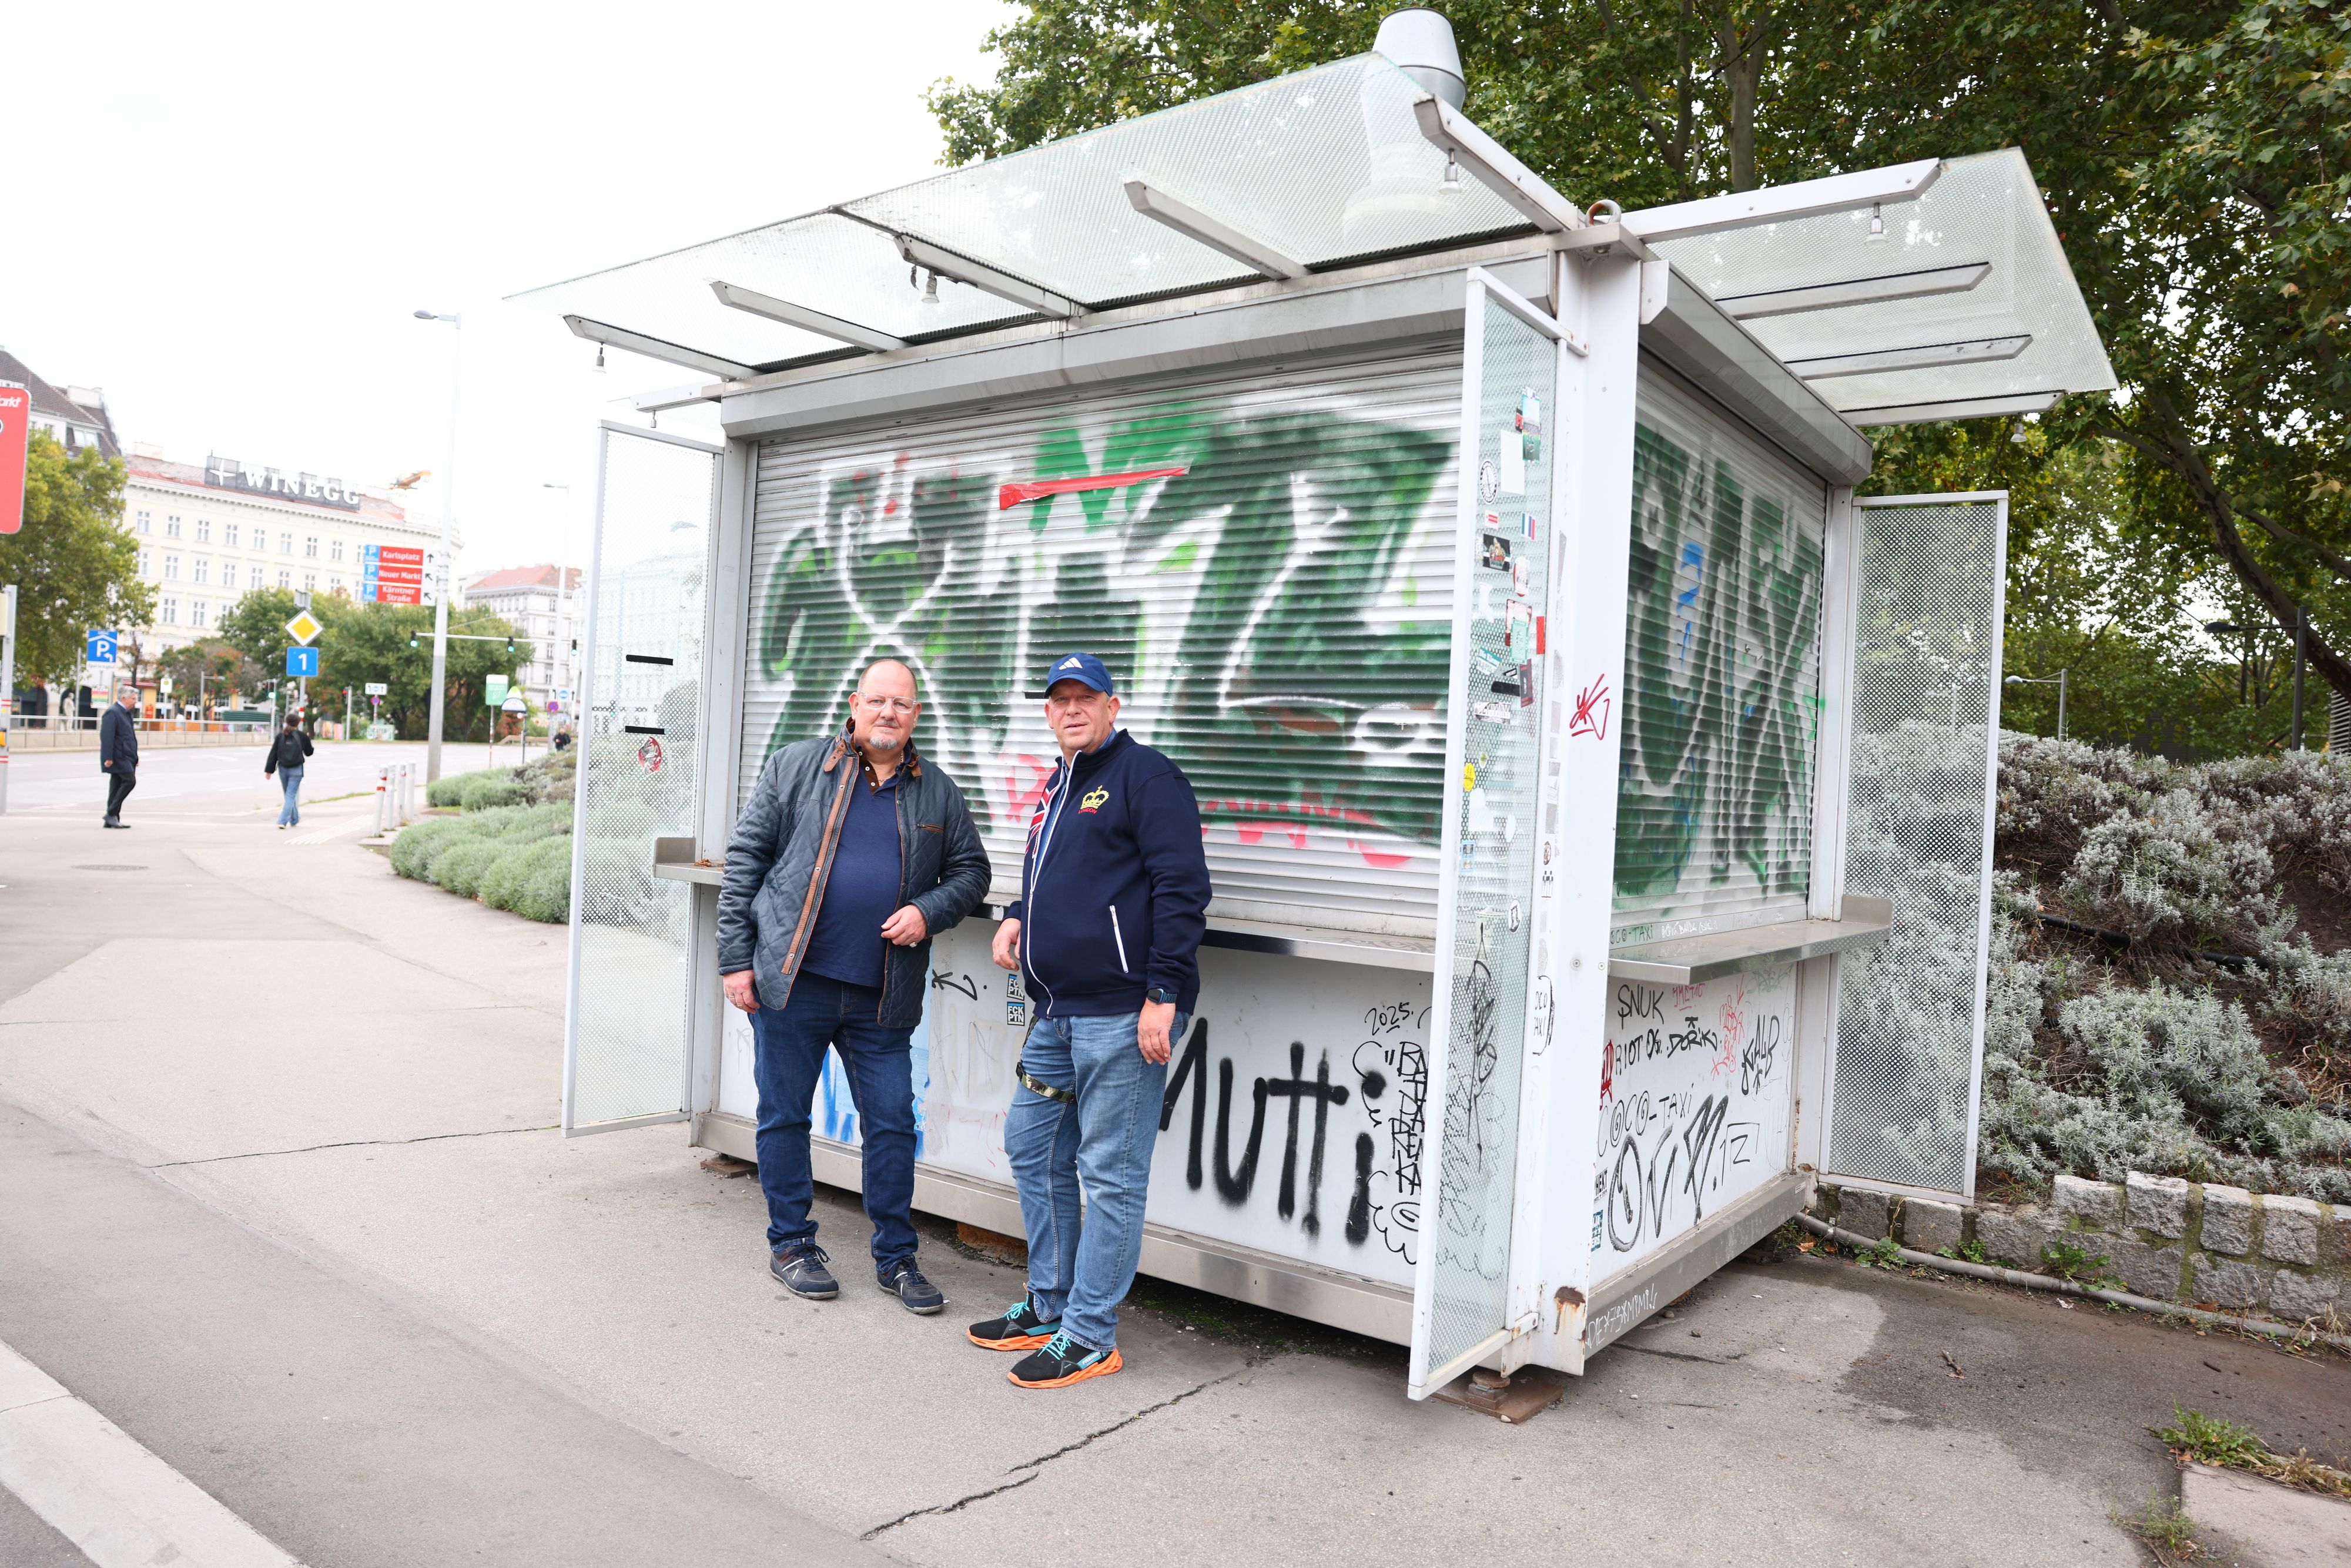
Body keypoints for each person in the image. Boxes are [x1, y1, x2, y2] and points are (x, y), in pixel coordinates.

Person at [716, 659, 991, 1315]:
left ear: (916, 715)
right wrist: (735, 960)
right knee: (784, 1116)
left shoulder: (938, 794)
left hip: (881, 994)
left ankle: (896, 1258)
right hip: (794, 983)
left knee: (893, 1124)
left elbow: (971, 871)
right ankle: (791, 1244)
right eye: (877, 701)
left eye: (901, 703)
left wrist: (930, 910)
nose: (888, 712)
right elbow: (747, 858)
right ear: (854, 705)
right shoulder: (796, 766)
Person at [972, 651, 1211, 1389]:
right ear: (1048, 712)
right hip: (1058, 1011)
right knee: (1031, 1144)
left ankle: (1089, 1334)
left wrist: (1163, 992)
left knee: (1109, 1174)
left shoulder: (1147, 777)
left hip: (1121, 1014)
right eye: (1059, 699)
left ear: (1115, 705)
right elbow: (1052, 873)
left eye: (1086, 697)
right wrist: (1017, 915)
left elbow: (1182, 888)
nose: (1071, 708)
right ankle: (1049, 1304)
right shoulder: (1059, 781)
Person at [99, 684, 140, 829]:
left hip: (127, 756)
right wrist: (108, 758)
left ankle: (112, 818)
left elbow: (130, 737)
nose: (136, 702)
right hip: (118, 756)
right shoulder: (113, 712)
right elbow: (107, 737)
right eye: (133, 699)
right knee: (130, 781)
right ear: (124, 698)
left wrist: (135, 757)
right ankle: (111, 813)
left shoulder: (127, 713)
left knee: (116, 786)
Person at [265, 713, 314, 829]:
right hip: (297, 770)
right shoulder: (301, 736)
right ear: (298, 723)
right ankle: (283, 821)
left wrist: (269, 771)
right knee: (290, 796)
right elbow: (309, 753)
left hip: (283, 769)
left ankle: (294, 819)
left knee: (288, 795)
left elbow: (273, 754)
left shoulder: (280, 736)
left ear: (286, 722)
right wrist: (307, 741)